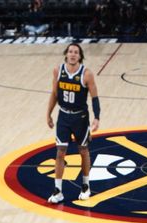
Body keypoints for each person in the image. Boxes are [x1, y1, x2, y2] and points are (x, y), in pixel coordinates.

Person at [45, 43, 101, 205]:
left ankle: (85, 186)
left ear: (80, 56)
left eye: (76, 52)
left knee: (83, 150)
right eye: (70, 51)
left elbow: (95, 98)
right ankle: (58, 190)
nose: (73, 54)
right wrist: (48, 113)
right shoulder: (58, 70)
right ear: (66, 54)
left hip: (80, 118)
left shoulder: (87, 74)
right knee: (60, 152)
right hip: (63, 116)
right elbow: (55, 94)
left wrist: (97, 117)